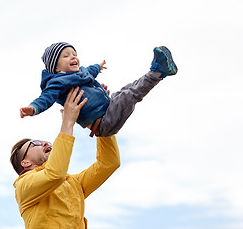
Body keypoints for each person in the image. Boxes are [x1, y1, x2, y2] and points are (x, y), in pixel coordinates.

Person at [11, 87, 120, 228]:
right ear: (25, 162)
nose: (44, 143)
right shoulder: (23, 186)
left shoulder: (73, 183)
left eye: (44, 141)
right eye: (34, 144)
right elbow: (55, 174)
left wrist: (99, 121)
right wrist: (68, 121)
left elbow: (109, 162)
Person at [20, 42, 178, 137]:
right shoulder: (57, 82)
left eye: (74, 54)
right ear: (56, 67)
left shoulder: (81, 72)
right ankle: (157, 71)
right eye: (66, 56)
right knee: (131, 94)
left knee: (126, 89)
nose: (73, 57)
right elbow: (45, 98)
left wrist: (99, 66)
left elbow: (90, 70)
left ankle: (159, 71)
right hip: (103, 123)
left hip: (108, 107)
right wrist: (33, 109)